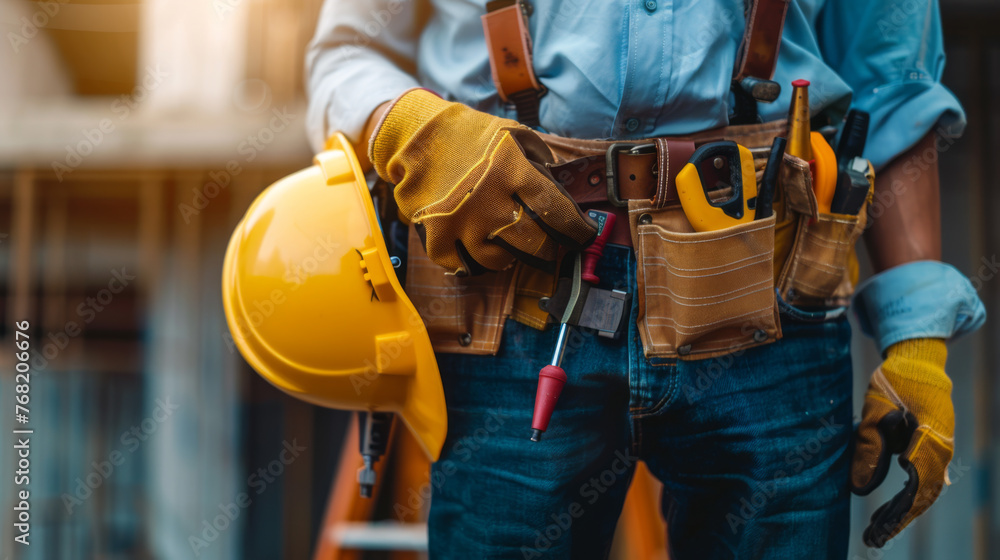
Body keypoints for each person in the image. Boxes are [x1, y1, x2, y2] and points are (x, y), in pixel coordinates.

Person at [305, 1, 985, 557]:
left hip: (770, 309)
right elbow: (346, 56)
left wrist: (917, 340)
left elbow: (894, 91)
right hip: (508, 300)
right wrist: (409, 127)